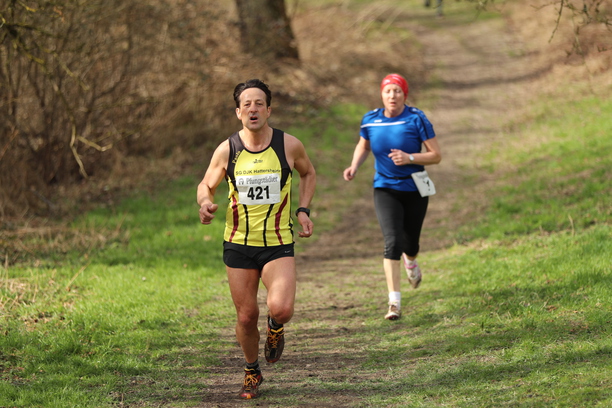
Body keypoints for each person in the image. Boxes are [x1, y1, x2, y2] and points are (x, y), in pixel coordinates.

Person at [197, 79, 316, 399]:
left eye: (259, 103)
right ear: (238, 112)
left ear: (268, 110)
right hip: (238, 242)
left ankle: (275, 327)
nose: (253, 109)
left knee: (283, 308)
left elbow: (308, 172)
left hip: (277, 242)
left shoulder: (288, 145)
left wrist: (303, 209)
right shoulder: (228, 149)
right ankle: (252, 371)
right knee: (246, 316)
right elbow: (206, 184)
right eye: (246, 104)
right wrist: (205, 202)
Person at [343, 73, 441, 321]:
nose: (392, 95)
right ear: (382, 94)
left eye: (397, 91)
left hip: (415, 188)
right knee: (392, 242)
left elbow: (436, 155)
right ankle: (394, 303)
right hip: (385, 188)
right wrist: (354, 166)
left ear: (404, 95)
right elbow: (364, 145)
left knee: (411, 245)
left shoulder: (416, 118)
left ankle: (411, 262)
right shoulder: (370, 120)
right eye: (388, 91)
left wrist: (410, 158)